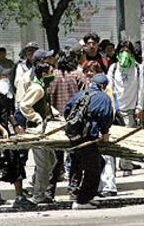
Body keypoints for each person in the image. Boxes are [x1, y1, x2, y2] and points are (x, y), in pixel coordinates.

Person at [0, 65, 35, 209]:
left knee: (16, 164)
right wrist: (3, 130)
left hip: (7, 134)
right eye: (4, 76)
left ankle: (19, 197)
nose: (7, 78)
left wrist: (15, 125)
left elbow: (9, 113)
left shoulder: (6, 93)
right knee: (1, 168)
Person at [64, 74, 113, 210]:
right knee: (93, 168)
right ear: (103, 86)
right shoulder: (104, 98)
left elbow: (67, 110)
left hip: (74, 136)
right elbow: (106, 117)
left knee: (80, 164)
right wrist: (104, 133)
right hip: (88, 137)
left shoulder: (79, 95)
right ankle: (81, 200)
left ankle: (84, 195)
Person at [20, 61, 60, 204]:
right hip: (37, 130)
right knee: (44, 164)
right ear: (44, 73)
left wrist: (56, 114)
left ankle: (36, 187)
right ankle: (38, 195)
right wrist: (37, 119)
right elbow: (24, 105)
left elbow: (45, 105)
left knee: (51, 161)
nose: (53, 74)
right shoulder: (37, 88)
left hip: (44, 129)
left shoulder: (42, 86)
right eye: (51, 71)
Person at [46, 48, 81, 199]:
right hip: (75, 122)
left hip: (56, 123)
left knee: (56, 159)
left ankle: (49, 190)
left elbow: (46, 97)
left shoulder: (52, 75)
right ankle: (73, 190)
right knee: (75, 156)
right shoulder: (78, 74)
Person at [107, 40, 143, 176]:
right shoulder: (113, 68)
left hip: (131, 108)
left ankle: (126, 165)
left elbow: (141, 88)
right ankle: (113, 169)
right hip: (115, 109)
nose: (124, 54)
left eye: (127, 51)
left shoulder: (138, 68)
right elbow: (109, 88)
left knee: (128, 139)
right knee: (114, 138)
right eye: (121, 51)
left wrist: (139, 107)